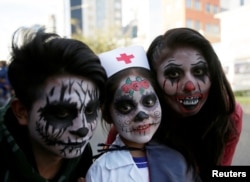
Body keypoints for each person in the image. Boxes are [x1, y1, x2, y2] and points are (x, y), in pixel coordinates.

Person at [0, 27, 107, 182]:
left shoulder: (82, 158)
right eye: (62, 113)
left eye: (90, 111)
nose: (82, 129)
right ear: (22, 111)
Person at [86, 46, 200, 182]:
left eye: (149, 101)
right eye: (126, 107)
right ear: (107, 114)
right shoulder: (101, 172)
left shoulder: (179, 160)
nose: (142, 115)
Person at [146, 27, 243, 180]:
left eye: (198, 71)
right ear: (153, 80)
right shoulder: (134, 117)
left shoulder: (228, 115)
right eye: (173, 74)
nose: (190, 86)